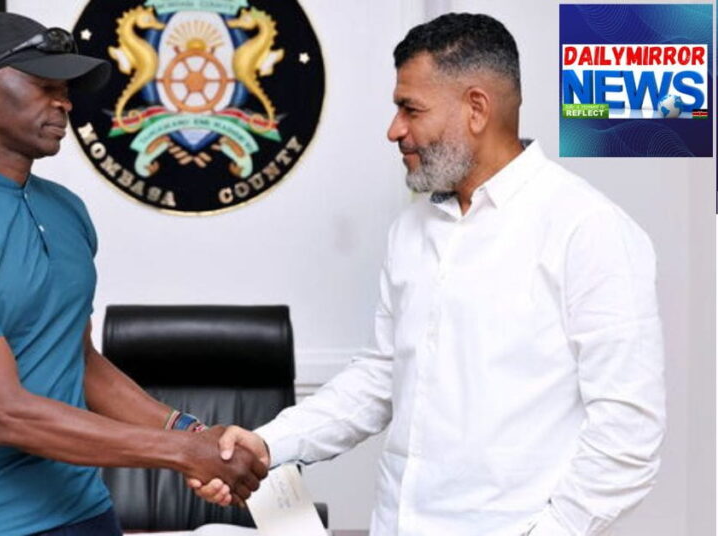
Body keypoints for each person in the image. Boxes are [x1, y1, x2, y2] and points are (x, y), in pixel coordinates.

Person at [190, 13, 665, 536]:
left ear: (476, 109)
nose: (394, 130)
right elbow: (381, 377)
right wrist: (268, 444)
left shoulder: (588, 228)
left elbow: (627, 436)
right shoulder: (411, 228)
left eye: (410, 109)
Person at [0, 12, 266, 536]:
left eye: (65, 90)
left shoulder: (66, 211)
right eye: (44, 86)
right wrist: (181, 452)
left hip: (83, 511)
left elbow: (79, 360)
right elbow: (7, 414)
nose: (63, 103)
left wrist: (192, 433)